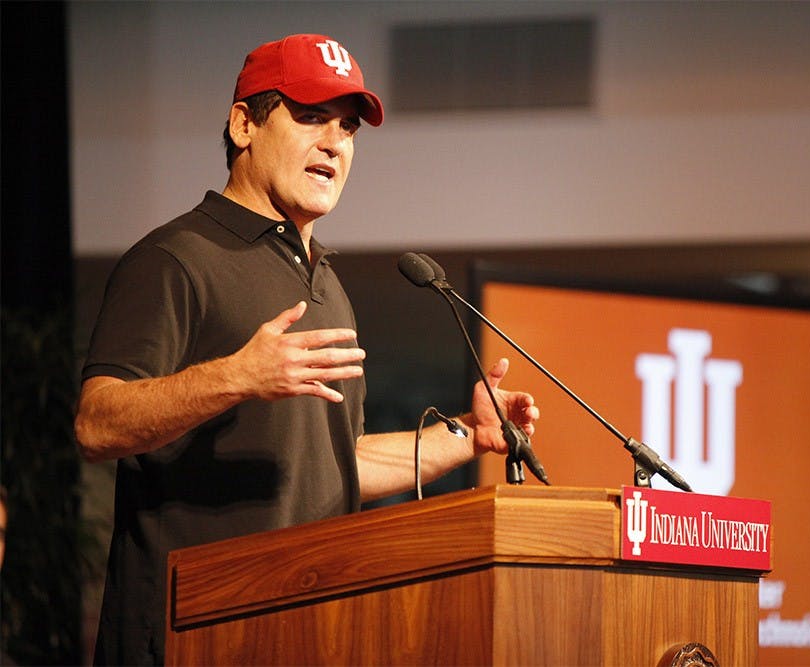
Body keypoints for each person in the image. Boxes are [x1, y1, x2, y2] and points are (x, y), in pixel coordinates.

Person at [74, 33, 539, 666]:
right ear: (244, 124)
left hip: (312, 631)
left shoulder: (326, 285)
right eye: (311, 117)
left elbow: (332, 464)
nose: (334, 144)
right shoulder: (175, 259)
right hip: (193, 638)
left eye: (347, 129)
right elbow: (97, 424)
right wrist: (238, 377)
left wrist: (465, 435)